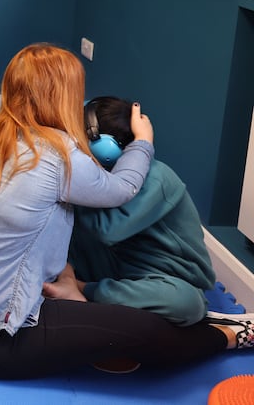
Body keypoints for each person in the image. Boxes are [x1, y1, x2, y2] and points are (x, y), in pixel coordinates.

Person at [0, 44, 254, 381]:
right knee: (147, 332)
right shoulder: (59, 155)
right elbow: (122, 188)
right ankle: (229, 335)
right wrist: (144, 141)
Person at [41, 96, 216, 327]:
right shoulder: (99, 170)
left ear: (105, 149)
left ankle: (82, 289)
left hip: (160, 274)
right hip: (112, 260)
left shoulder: (156, 178)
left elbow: (106, 230)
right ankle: (69, 282)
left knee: (188, 304)